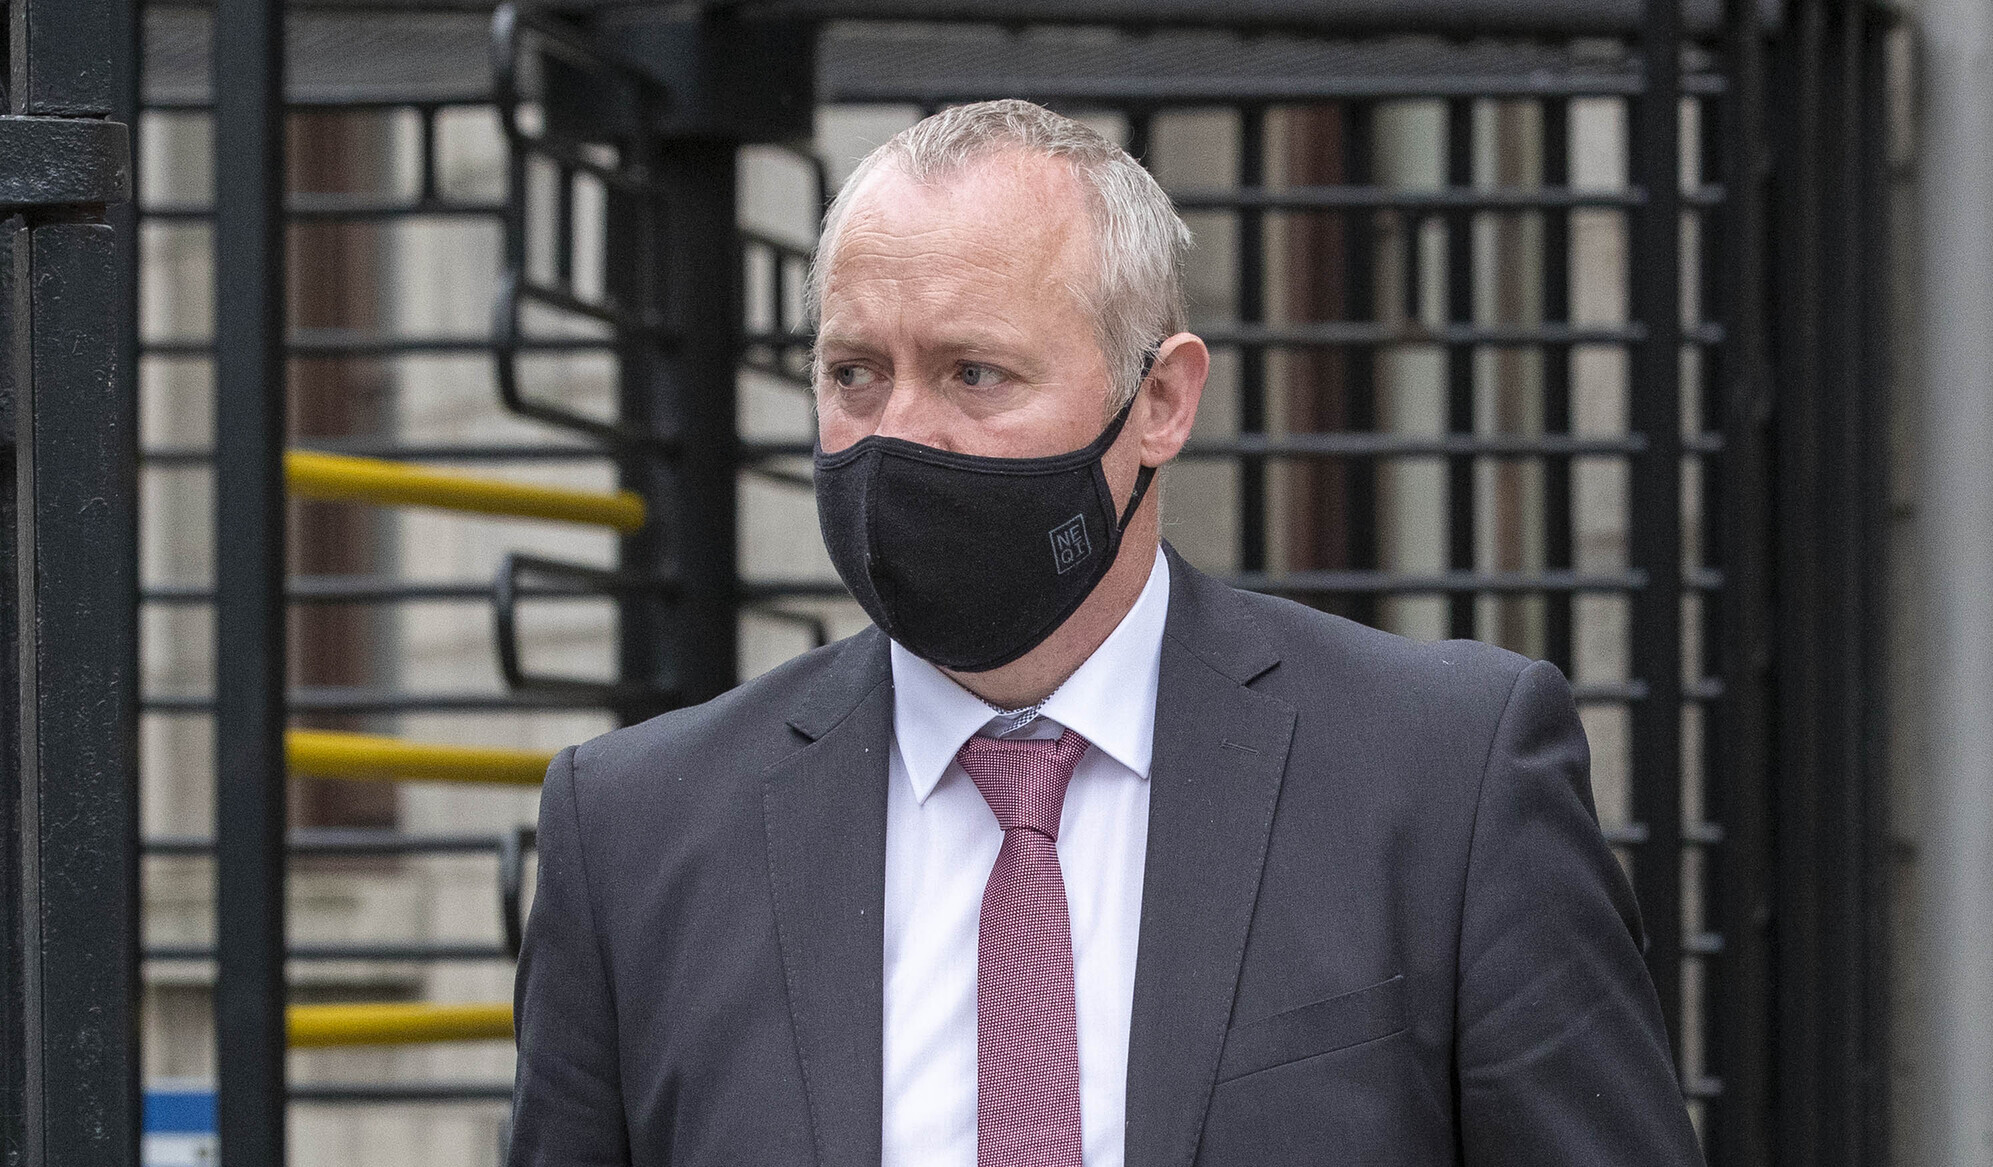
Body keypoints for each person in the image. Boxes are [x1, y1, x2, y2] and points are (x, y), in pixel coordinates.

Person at [508, 99, 1704, 1167]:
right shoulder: (635, 838)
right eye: (855, 373)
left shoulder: (1443, 780)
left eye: (974, 373)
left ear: (1161, 402)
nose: (899, 435)